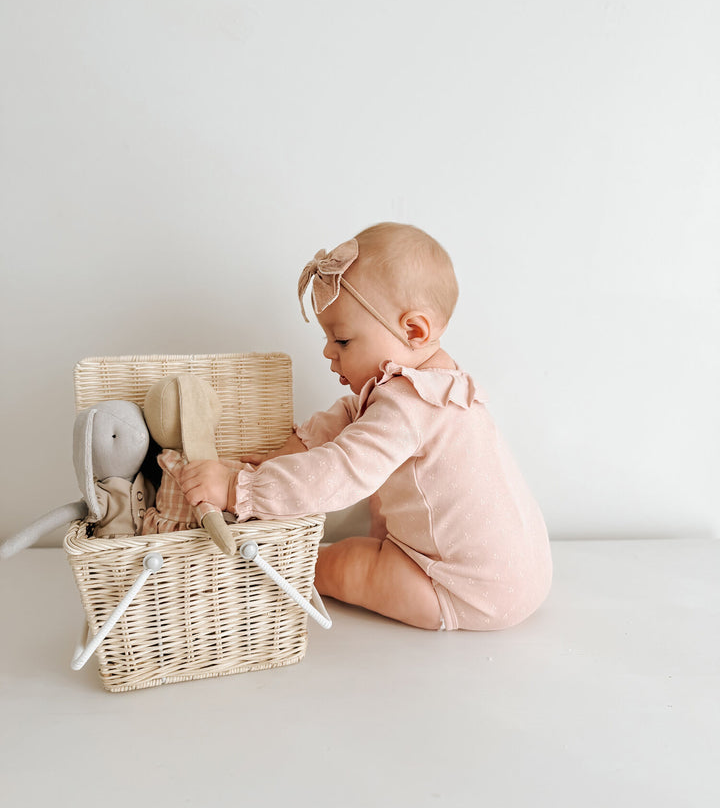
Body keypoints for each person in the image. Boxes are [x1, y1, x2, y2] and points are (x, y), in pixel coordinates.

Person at [179, 222, 552, 631]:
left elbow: (340, 474)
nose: (327, 352)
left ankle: (276, 573)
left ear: (413, 330)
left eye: (342, 341)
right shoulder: (434, 386)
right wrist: (294, 447)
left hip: (465, 590)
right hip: (523, 570)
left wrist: (240, 489)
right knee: (374, 524)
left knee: (344, 565)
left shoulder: (407, 408)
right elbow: (352, 415)